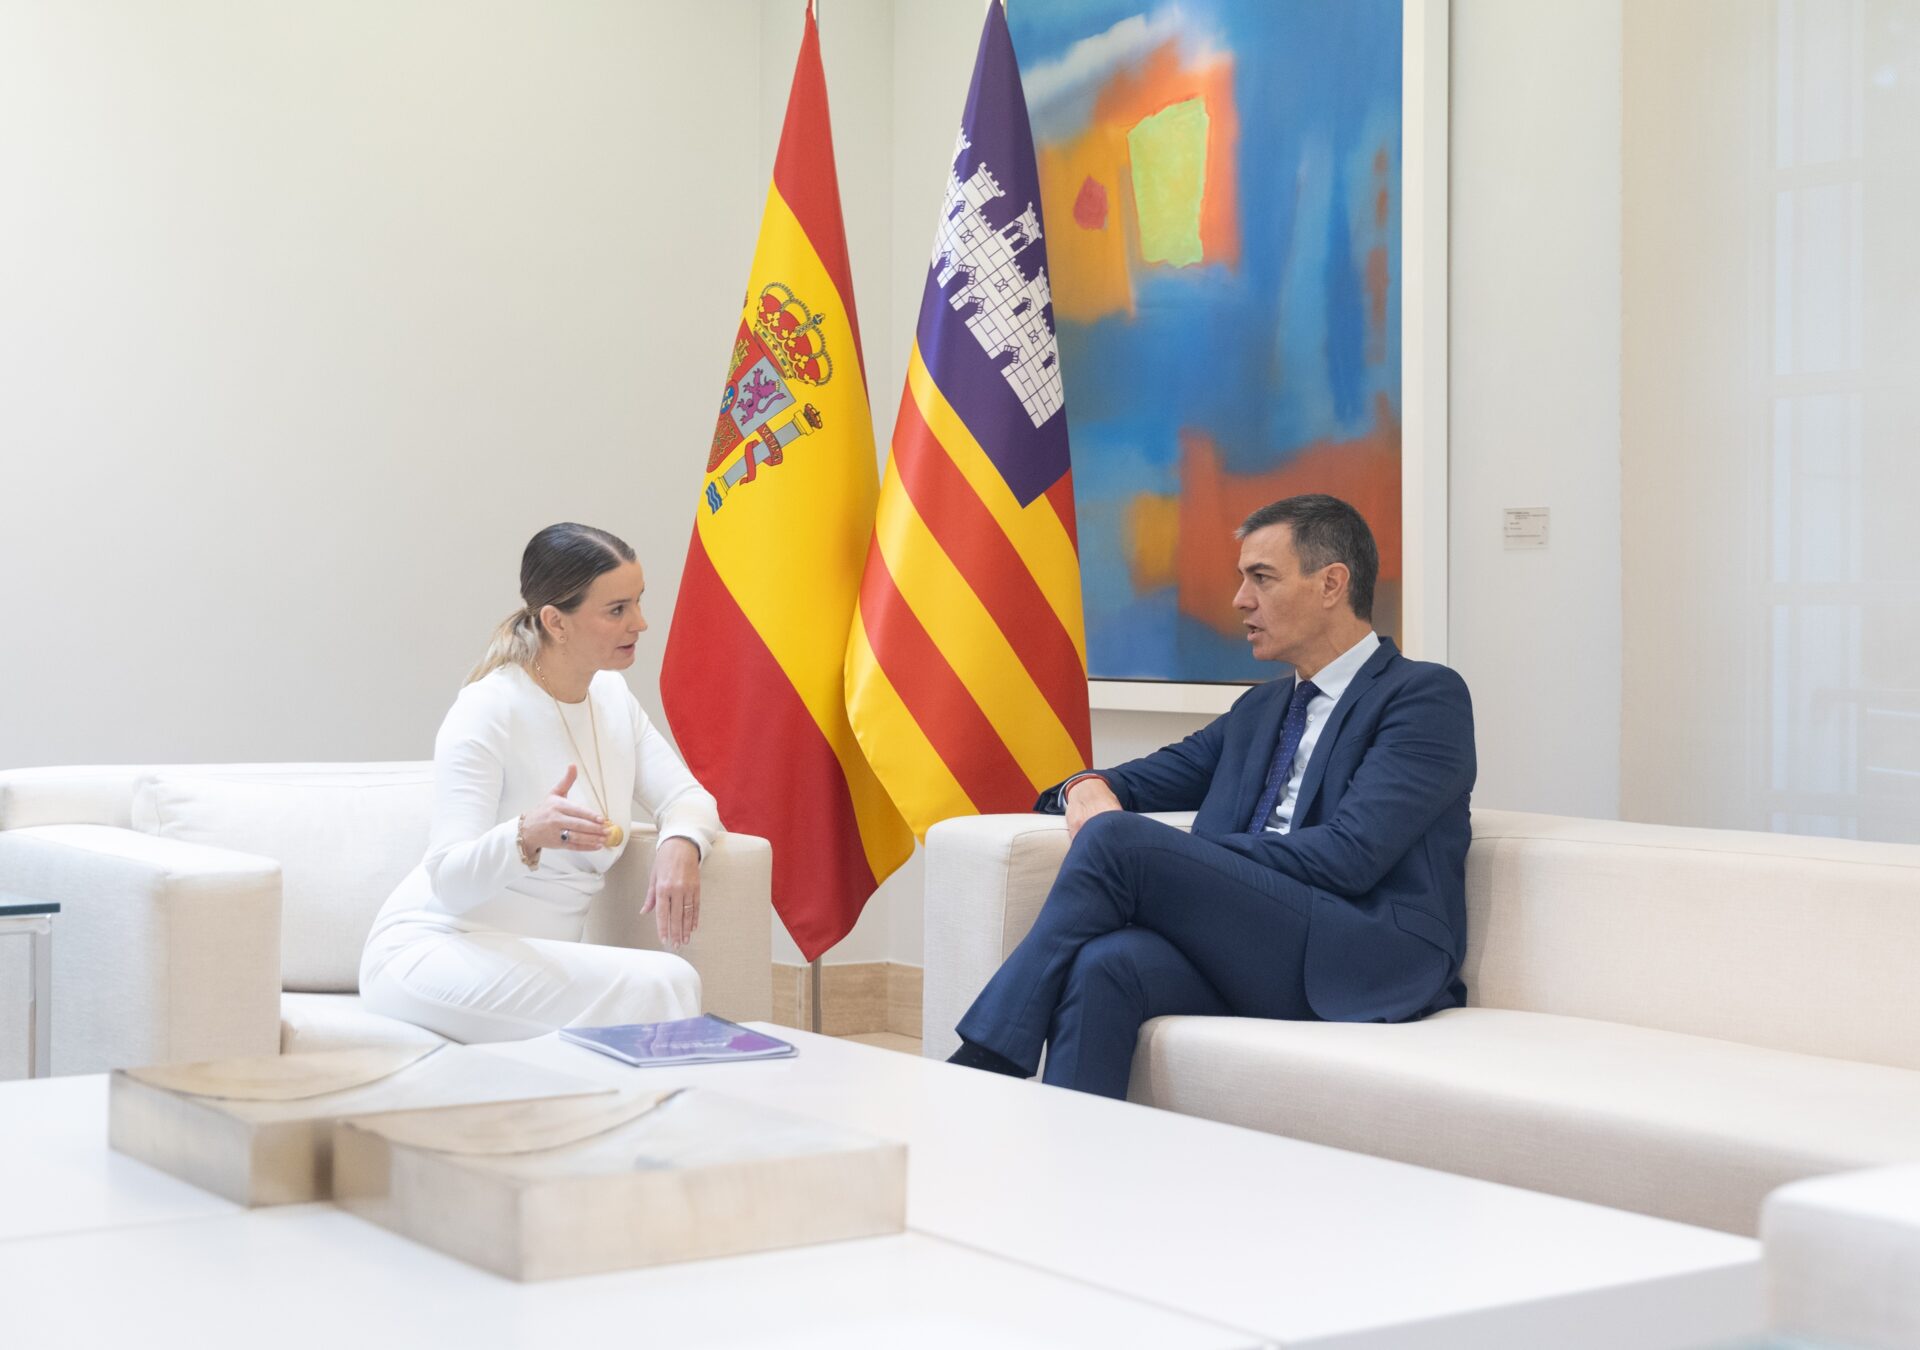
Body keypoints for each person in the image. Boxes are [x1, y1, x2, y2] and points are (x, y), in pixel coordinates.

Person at [948, 494, 1476, 1098]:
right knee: (1106, 964)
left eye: (1262, 578)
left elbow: (1349, 856)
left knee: (1119, 841)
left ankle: (982, 1066)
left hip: (1360, 951)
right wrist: (1087, 784)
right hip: (1258, 942)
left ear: (1331, 584)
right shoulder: (1261, 708)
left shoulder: (1423, 696)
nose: (1240, 600)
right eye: (1242, 579)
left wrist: (1196, 860)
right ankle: (1074, 1152)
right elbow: (1143, 778)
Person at [360, 522, 721, 1043]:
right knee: (663, 981)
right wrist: (525, 834)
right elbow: (448, 881)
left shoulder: (612, 700)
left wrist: (682, 842)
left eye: (639, 601)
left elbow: (687, 797)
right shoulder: (488, 708)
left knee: (668, 982)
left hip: (532, 956)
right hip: (436, 949)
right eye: (617, 610)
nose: (640, 623)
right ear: (556, 621)